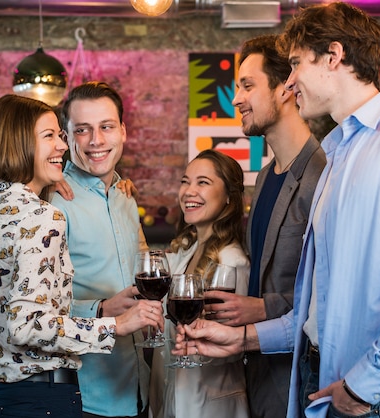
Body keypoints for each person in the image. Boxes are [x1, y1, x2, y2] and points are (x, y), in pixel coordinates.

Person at [174, 3, 380, 417]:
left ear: (334, 56)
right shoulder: (337, 154)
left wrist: (364, 384)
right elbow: (314, 312)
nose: (291, 78)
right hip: (326, 385)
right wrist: (242, 338)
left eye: (297, 62)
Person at [0, 94, 164, 418]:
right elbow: (26, 325)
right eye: (52, 136)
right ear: (20, 142)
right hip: (50, 396)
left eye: (60, 135)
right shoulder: (46, 210)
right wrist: (115, 323)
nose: (63, 146)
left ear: (122, 130)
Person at [207, 34, 325, 418]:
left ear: (286, 89)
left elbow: (333, 294)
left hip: (301, 381)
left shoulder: (323, 174)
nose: (236, 99)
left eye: (247, 86)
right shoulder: (263, 177)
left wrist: (260, 308)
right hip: (256, 375)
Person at [51, 81, 152, 418]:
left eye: (106, 127)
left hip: (140, 387)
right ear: (65, 137)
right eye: (82, 130)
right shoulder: (51, 204)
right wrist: (102, 308)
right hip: (86, 397)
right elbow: (34, 314)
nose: (96, 141)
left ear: (122, 131)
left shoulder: (125, 197)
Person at [149, 149, 250, 418]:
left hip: (212, 405)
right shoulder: (187, 250)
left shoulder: (233, 260)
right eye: (185, 181)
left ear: (229, 196)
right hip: (172, 397)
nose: (189, 191)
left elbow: (236, 346)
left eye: (203, 182)